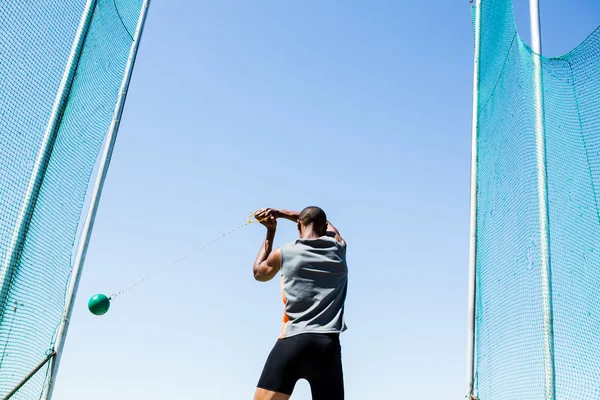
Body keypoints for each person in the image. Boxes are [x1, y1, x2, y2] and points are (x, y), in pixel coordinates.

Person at [251, 206, 348, 400]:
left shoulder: (285, 252)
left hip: (292, 342)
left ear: (298, 227)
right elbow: (323, 223)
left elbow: (259, 274)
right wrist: (282, 213)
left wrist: (271, 231)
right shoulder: (338, 248)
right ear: (324, 228)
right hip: (327, 346)